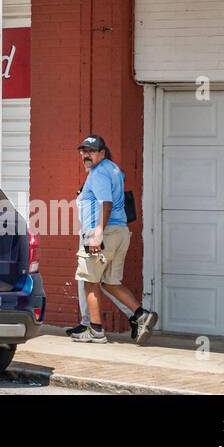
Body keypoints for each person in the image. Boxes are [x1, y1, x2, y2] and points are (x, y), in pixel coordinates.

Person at [69, 134, 157, 344]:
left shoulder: (99, 173)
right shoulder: (114, 169)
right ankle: (140, 315)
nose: (86, 155)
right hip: (120, 232)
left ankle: (96, 330)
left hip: (102, 234)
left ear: (102, 153)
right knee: (110, 282)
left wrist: (98, 231)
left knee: (90, 281)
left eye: (91, 151)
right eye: (84, 151)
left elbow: (105, 203)